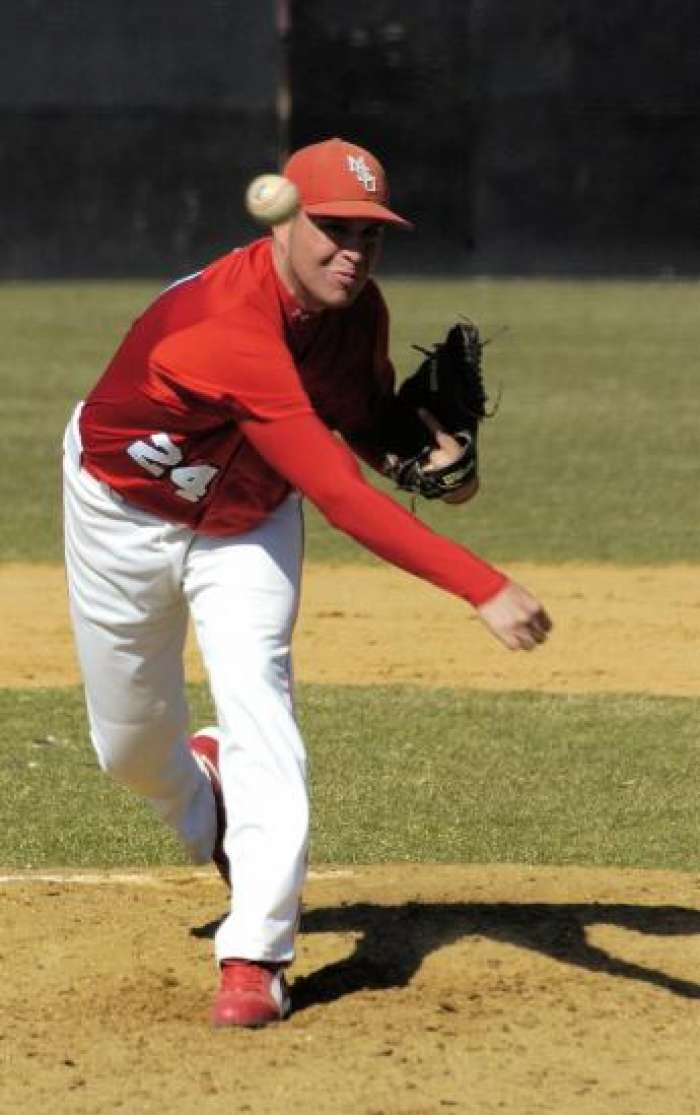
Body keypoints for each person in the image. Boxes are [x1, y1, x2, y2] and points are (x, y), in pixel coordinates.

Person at [62, 137, 552, 1029]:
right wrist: (479, 583)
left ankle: (256, 953)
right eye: (332, 230)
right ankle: (201, 789)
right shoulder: (225, 324)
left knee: (260, 699)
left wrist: (437, 460)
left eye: (370, 235)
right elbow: (338, 493)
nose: (351, 253)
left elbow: (362, 422)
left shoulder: (356, 316)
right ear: (285, 221)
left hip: (247, 519)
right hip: (124, 515)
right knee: (128, 749)